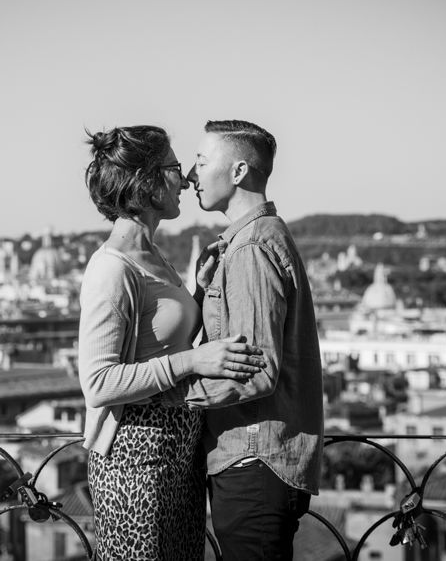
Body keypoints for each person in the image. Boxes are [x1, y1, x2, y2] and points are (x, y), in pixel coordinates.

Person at [77, 125, 265, 561]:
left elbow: (160, 342)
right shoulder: (112, 269)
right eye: (174, 168)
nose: (184, 180)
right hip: (134, 459)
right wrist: (194, 360)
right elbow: (99, 383)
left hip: (179, 456)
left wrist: (197, 293)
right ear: (145, 181)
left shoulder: (156, 258)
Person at [167, 119, 324, 560]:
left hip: (253, 460)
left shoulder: (251, 247)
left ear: (237, 172)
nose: (191, 175)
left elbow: (256, 373)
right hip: (258, 459)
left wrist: (166, 393)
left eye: (200, 161)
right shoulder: (252, 240)